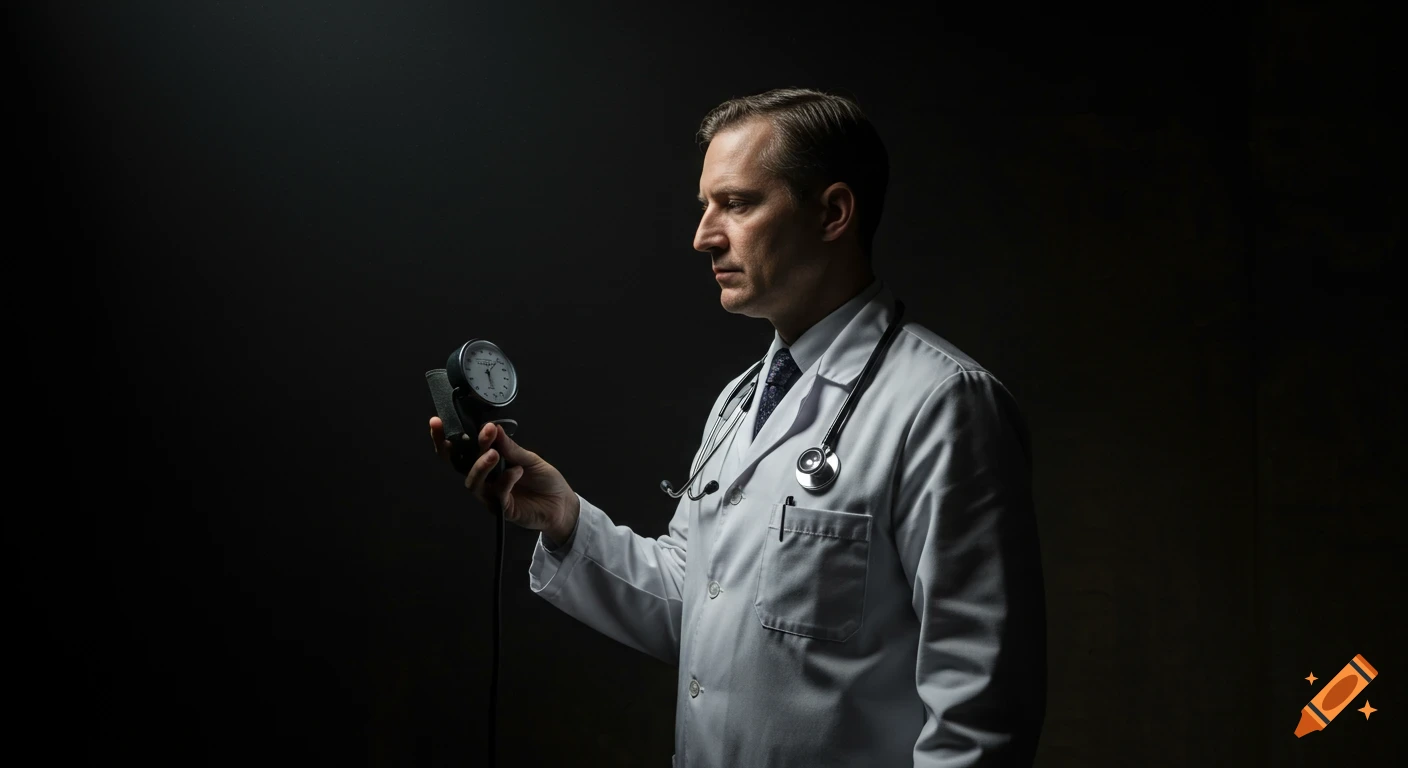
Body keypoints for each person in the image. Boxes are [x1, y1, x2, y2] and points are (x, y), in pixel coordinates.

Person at [429, 87, 1046, 767]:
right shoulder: (741, 400)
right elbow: (698, 606)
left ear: (834, 212)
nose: (703, 236)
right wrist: (565, 520)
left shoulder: (941, 404)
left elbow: (979, 712)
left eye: (738, 204)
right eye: (705, 207)